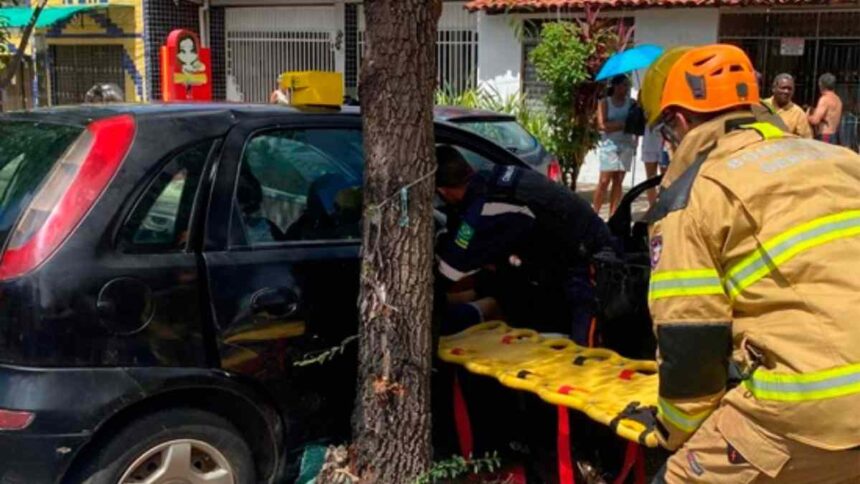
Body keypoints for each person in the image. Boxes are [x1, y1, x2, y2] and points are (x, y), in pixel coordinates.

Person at [640, 44, 860, 483]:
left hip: (812, 411)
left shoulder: (694, 194)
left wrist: (672, 429)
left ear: (679, 121)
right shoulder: (842, 161)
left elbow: (692, 346)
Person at [435, 145, 613, 344]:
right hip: (569, 249)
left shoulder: (481, 210)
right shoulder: (489, 177)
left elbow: (449, 270)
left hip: (587, 256)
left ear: (443, 191)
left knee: (583, 345)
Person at [594, 75, 636, 216]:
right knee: (604, 180)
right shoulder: (605, 103)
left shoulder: (631, 103)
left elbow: (637, 122)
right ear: (616, 86)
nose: (626, 88)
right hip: (609, 145)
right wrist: (623, 125)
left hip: (626, 145)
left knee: (618, 181)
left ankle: (613, 215)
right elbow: (602, 125)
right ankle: (595, 212)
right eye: (624, 85)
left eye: (627, 86)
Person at [763, 73, 813, 138]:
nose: (786, 91)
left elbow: (807, 139)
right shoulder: (762, 106)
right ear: (773, 88)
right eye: (783, 88)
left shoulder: (798, 113)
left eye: (790, 89)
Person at [808, 72, 843, 144]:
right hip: (835, 135)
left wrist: (807, 116)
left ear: (821, 85)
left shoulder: (825, 99)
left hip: (825, 135)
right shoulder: (838, 99)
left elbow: (815, 120)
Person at [641, 125, 664, 206]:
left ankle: (664, 208)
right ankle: (652, 208)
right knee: (650, 178)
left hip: (665, 138)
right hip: (649, 138)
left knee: (666, 178)